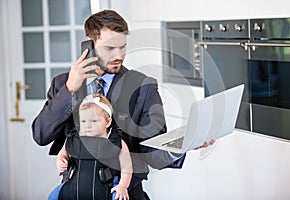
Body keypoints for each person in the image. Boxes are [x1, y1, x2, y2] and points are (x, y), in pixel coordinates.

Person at [32, 9, 214, 199]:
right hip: (75, 192)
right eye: (110, 48)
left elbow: (152, 151)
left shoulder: (143, 86)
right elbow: (41, 135)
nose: (118, 55)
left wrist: (184, 143)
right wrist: (69, 89)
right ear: (89, 43)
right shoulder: (63, 84)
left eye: (123, 47)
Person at [48, 94, 132, 199]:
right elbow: (64, 151)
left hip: (106, 187)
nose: (87, 125)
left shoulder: (116, 142)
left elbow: (127, 167)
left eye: (94, 121)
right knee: (52, 197)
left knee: (120, 197)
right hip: (75, 186)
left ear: (108, 122)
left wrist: (123, 186)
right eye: (83, 121)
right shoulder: (75, 139)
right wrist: (61, 159)